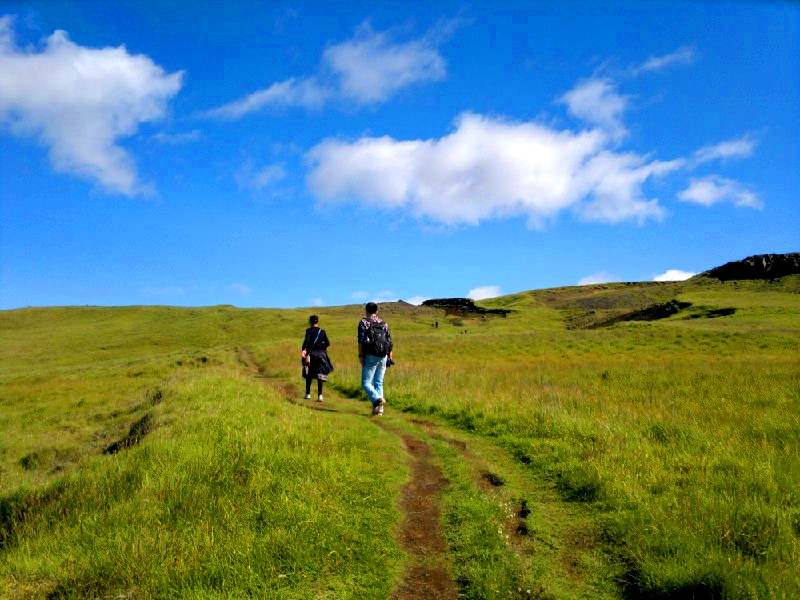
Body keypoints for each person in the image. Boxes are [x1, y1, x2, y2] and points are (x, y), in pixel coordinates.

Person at [358, 302, 393, 416]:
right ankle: (380, 411)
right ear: (377, 311)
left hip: (370, 355)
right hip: (383, 355)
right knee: (379, 383)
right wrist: (389, 357)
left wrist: (361, 355)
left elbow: (361, 341)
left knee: (366, 383)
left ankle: (377, 400)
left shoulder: (364, 322)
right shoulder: (384, 324)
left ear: (366, 311)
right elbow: (389, 341)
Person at [301, 315, 332, 401]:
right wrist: (320, 347)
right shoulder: (322, 331)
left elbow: (306, 342)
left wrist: (303, 350)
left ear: (310, 322)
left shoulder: (308, 330)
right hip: (321, 355)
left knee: (308, 373)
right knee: (320, 374)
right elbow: (327, 343)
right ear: (317, 322)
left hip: (310, 354)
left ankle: (308, 394)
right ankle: (320, 395)